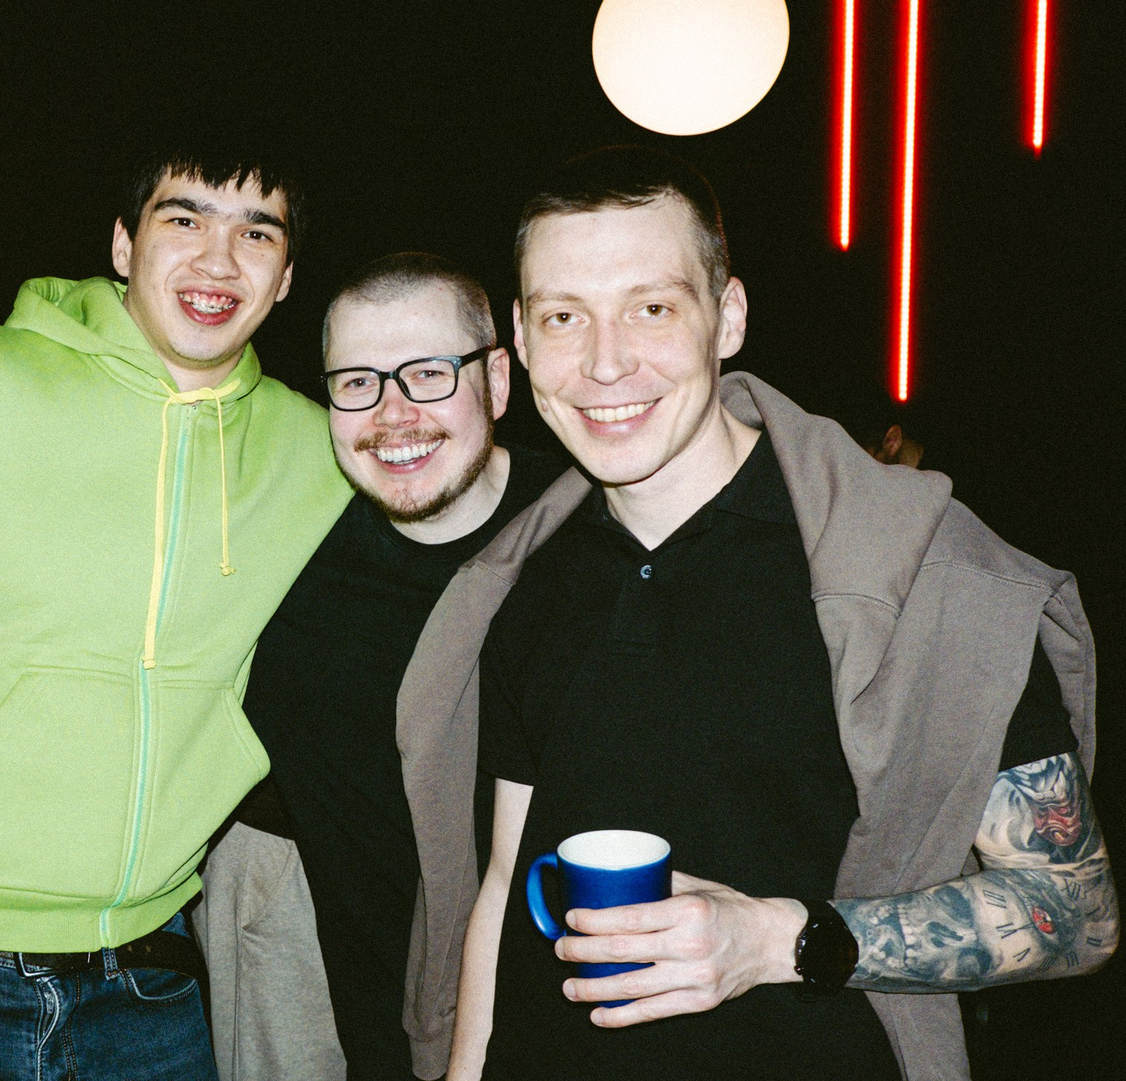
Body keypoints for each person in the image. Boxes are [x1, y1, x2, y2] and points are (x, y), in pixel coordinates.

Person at [398, 146, 1113, 1080]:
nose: (605, 362)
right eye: (564, 316)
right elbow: (503, 880)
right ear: (523, 344)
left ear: (727, 316)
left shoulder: (917, 573)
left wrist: (780, 940)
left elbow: (1077, 913)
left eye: (652, 308)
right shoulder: (518, 576)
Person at [0, 143, 351, 1080]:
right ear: (125, 245)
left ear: (288, 276)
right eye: (185, 219)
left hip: (156, 970)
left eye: (257, 233)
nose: (219, 260)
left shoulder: (320, 450)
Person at [204, 253, 564, 1081]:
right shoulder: (286, 557)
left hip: (561, 1015)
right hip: (352, 1025)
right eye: (357, 382)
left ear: (497, 381)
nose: (393, 414)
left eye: (429, 373)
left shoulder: (584, 538)